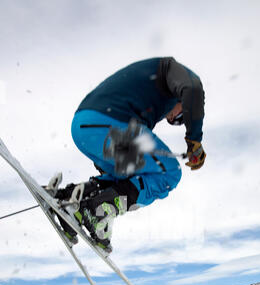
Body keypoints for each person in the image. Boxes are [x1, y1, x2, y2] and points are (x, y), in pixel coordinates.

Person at [56, 57, 206, 253]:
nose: (171, 118)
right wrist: (194, 140)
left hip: (82, 127)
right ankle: (99, 211)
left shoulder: (146, 96)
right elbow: (193, 90)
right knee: (169, 173)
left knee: (133, 178)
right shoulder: (172, 70)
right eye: (179, 117)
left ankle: (75, 200)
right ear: (182, 102)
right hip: (110, 122)